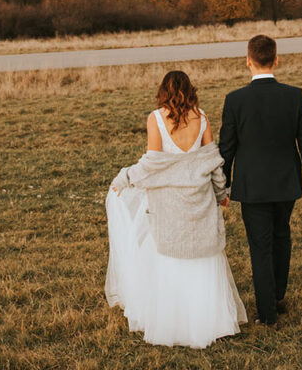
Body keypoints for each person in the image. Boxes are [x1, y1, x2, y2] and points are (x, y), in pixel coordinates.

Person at [105, 70, 247, 348]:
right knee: (201, 258)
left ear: (163, 92)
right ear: (190, 90)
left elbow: (153, 163)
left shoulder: (156, 119)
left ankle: (174, 323)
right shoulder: (202, 117)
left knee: (171, 257)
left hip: (168, 202)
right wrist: (221, 193)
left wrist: (125, 177)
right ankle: (208, 322)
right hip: (200, 200)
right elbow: (213, 163)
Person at [218, 34, 302, 327]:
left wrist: (222, 187)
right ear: (276, 59)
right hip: (286, 183)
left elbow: (227, 149)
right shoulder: (294, 95)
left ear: (248, 60)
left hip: (251, 187)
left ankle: (268, 313)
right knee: (281, 236)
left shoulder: (235, 100)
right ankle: (276, 295)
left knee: (260, 246)